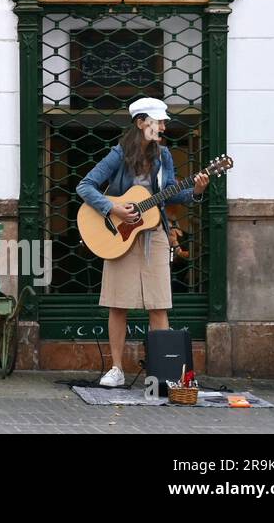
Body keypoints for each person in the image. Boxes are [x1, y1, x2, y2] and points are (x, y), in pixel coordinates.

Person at [77, 97, 209, 388]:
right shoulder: (119, 154)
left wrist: (196, 191)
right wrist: (112, 208)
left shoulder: (164, 156)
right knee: (117, 304)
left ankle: (162, 372)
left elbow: (171, 194)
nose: (162, 126)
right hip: (120, 235)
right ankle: (115, 368)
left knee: (159, 304)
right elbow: (84, 186)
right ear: (140, 123)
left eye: (163, 122)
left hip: (155, 235)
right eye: (157, 121)